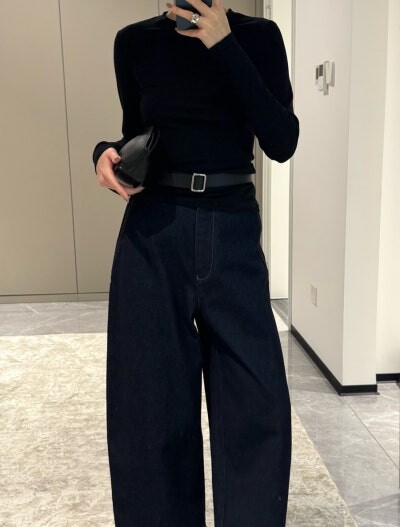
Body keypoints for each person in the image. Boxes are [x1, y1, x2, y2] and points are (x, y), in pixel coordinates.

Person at [93, 0, 299, 526]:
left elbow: (282, 141)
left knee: (256, 402)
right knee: (148, 406)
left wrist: (225, 44)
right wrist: (105, 153)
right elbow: (141, 136)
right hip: (153, 229)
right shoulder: (133, 42)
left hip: (232, 226)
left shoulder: (259, 36)